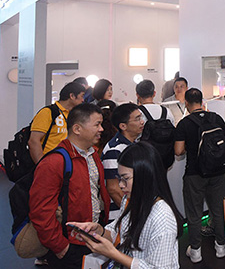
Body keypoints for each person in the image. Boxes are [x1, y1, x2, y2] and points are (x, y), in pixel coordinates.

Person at [68, 142, 183, 269]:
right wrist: (99, 231)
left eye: (125, 178)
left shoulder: (162, 217)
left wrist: (113, 254)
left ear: (144, 176)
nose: (121, 185)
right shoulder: (130, 200)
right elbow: (119, 231)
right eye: (120, 178)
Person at [29, 103, 111, 269]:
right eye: (97, 124)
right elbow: (41, 210)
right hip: (69, 244)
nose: (101, 129)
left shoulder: (93, 155)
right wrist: (60, 246)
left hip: (92, 238)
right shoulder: (54, 162)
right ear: (77, 129)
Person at [175, 88, 225, 262]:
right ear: (202, 101)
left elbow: (178, 151)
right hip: (220, 172)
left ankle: (196, 251)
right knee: (218, 210)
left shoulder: (184, 123)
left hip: (195, 173)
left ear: (186, 103)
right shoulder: (216, 118)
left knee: (194, 213)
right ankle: (221, 247)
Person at [101, 103, 145, 221]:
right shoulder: (115, 149)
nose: (142, 122)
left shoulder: (133, 144)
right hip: (121, 216)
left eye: (141, 117)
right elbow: (113, 189)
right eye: (137, 119)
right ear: (123, 126)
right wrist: (132, 213)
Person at [28, 81, 86, 163]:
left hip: (66, 162)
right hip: (49, 163)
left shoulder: (73, 115)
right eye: (82, 96)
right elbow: (33, 141)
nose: (83, 100)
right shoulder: (48, 112)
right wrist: (42, 165)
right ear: (72, 96)